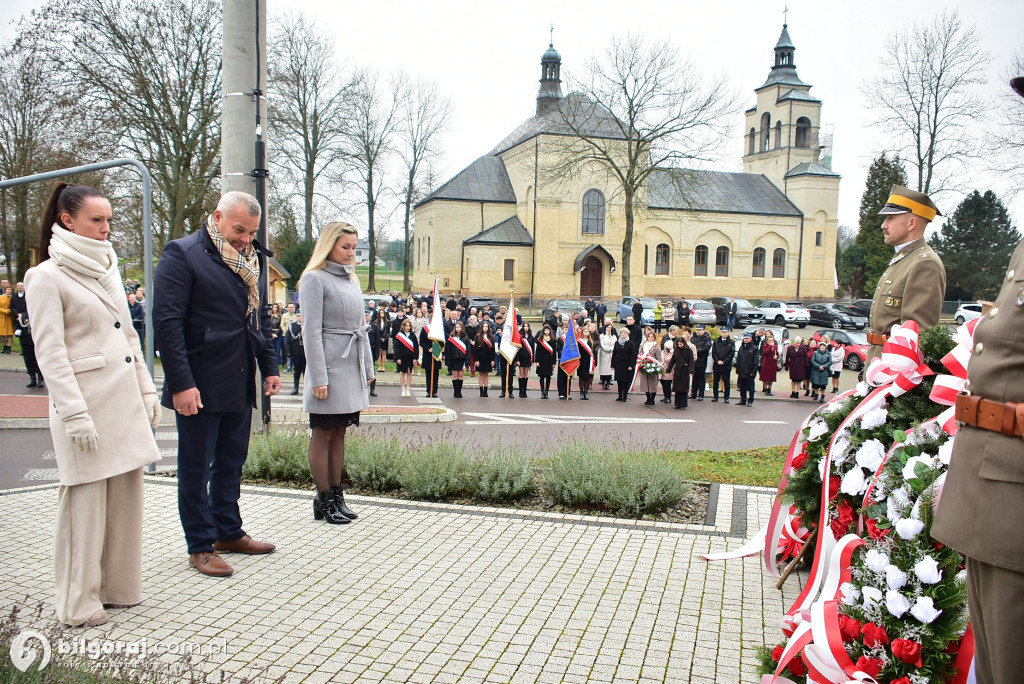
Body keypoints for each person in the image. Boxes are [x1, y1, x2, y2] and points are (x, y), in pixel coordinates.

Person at [26, 183, 161, 626]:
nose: (106, 229)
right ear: (67, 220)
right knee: (83, 506)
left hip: (122, 400)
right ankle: (77, 602)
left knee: (126, 498)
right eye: (96, 220)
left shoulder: (106, 268)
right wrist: (73, 412)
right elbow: (50, 353)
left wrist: (146, 390)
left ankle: (118, 587)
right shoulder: (45, 276)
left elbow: (128, 337)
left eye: (108, 220)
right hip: (86, 405)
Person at [153, 191, 281, 577]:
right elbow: (168, 325)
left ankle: (228, 530)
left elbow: (258, 319)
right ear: (218, 217)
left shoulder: (252, 259)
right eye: (239, 230)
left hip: (239, 377)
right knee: (196, 466)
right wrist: (180, 383)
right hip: (199, 380)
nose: (245, 238)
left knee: (230, 462)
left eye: (252, 232)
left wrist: (270, 366)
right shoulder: (183, 254)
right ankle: (200, 545)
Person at [299, 222, 374, 526]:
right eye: (346, 247)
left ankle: (338, 497)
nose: (351, 254)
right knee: (323, 433)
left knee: (340, 433)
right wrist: (318, 378)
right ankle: (323, 499)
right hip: (328, 366)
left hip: (350, 365)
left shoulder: (353, 282)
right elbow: (310, 332)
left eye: (355, 248)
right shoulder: (313, 279)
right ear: (329, 245)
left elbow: (361, 330)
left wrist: (367, 369)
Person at [866, 185, 946, 365]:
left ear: (911, 223)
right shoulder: (904, 259)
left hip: (893, 372)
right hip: (879, 364)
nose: (883, 225)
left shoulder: (924, 263)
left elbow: (917, 336)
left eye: (891, 218)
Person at [392, 317, 419, 397]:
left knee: (409, 372)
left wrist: (415, 358)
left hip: (410, 357)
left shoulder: (413, 335)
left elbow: (416, 347)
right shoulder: (399, 335)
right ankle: (403, 389)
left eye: (409, 326)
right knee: (402, 373)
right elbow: (396, 347)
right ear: (403, 326)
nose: (407, 327)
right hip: (402, 357)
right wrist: (398, 358)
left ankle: (408, 389)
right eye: (406, 326)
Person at [734, 331, 762, 407]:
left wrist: (753, 372)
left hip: (750, 371)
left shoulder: (754, 348)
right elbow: (739, 359)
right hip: (742, 371)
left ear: (751, 339)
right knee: (742, 387)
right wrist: (738, 369)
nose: (745, 340)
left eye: (747, 338)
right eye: (744, 338)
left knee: (750, 388)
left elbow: (756, 361)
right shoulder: (741, 347)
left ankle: (750, 401)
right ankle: (743, 400)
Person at [667, 336, 695, 410]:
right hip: (677, 371)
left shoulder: (689, 351)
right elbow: (673, 360)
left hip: (685, 370)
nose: (679, 345)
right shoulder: (676, 350)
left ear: (684, 343)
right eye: (678, 344)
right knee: (677, 388)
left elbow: (691, 361)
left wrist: (691, 371)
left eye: (681, 344)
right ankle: (677, 403)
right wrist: (668, 369)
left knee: (683, 388)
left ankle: (683, 404)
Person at [445, 319, 470, 399]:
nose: (458, 328)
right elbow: (448, 350)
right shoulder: (451, 338)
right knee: (455, 376)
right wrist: (447, 361)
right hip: (454, 359)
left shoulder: (465, 338)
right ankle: (455, 391)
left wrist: (467, 362)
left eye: (459, 327)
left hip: (462, 360)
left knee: (461, 376)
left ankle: (459, 391)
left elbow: (468, 350)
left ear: (462, 328)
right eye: (457, 327)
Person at [637, 327, 662, 405]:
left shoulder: (656, 347)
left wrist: (654, 364)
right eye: (649, 337)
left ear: (654, 338)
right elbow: (640, 354)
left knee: (652, 384)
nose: (650, 338)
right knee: (645, 384)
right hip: (644, 366)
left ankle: (652, 399)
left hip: (652, 367)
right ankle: (648, 398)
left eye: (652, 337)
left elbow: (659, 358)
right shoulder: (644, 346)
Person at [611, 327, 637, 402]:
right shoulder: (617, 342)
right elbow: (614, 354)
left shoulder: (631, 343)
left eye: (624, 333)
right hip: (618, 364)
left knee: (625, 381)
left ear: (627, 334)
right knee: (619, 381)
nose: (623, 334)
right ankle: (619, 396)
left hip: (626, 365)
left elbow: (633, 355)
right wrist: (612, 365)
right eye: (622, 333)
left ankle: (624, 397)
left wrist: (631, 365)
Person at [710, 328, 735, 403]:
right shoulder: (716, 341)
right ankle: (715, 396)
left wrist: (724, 361)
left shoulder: (731, 342)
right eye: (723, 332)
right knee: (716, 381)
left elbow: (731, 354)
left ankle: (726, 397)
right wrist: (717, 361)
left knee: (726, 381)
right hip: (717, 365)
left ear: (728, 333)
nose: (724, 334)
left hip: (726, 365)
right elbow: (713, 352)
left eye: (725, 332)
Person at [533, 325, 557, 399]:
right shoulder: (540, 340)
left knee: (548, 377)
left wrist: (554, 363)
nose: (546, 332)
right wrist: (537, 361)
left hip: (549, 361)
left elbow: (554, 352)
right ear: (543, 331)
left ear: (550, 331)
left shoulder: (553, 340)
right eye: (545, 330)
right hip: (541, 360)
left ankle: (546, 392)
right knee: (542, 376)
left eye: (548, 330)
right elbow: (537, 351)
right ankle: (542, 391)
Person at [285, 312, 305, 396]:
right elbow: (288, 340)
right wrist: (288, 352)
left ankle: (306, 388)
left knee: (306, 372)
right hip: (296, 352)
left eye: (301, 316)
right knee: (296, 371)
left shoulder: (307, 325)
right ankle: (295, 388)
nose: (300, 318)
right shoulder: (292, 326)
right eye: (298, 316)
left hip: (305, 352)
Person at [473, 320, 495, 396]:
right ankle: (481, 390)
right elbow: (475, 349)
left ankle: (485, 390)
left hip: (488, 358)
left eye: (486, 326)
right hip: (480, 358)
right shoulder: (478, 336)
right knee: (480, 373)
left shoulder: (491, 337)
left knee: (486, 374)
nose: (485, 328)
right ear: (481, 327)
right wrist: (476, 360)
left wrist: (493, 360)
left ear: (488, 328)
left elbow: (493, 349)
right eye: (484, 326)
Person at [690, 325, 712, 401]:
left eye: (700, 330)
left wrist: (696, 351)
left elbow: (706, 348)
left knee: (701, 378)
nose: (698, 331)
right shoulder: (693, 337)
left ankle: (701, 394)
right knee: (694, 377)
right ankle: (693, 394)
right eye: (697, 330)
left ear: (704, 331)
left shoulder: (707, 338)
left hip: (702, 360)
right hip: (694, 360)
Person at [576, 320, 595, 400]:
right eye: (585, 331)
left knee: (587, 378)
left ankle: (586, 392)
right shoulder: (579, 341)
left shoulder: (590, 342)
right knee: (581, 377)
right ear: (582, 332)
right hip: (581, 361)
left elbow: (592, 352)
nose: (586, 333)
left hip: (588, 361)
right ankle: (581, 392)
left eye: (587, 331)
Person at [515, 321, 535, 398]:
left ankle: (524, 391)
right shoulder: (520, 337)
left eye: (527, 326)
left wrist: (532, 360)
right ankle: (520, 391)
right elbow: (517, 349)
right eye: (525, 326)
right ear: (523, 327)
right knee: (521, 374)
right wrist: (517, 360)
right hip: (521, 358)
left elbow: (533, 349)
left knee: (526, 374)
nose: (526, 328)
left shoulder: (531, 337)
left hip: (528, 358)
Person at [597, 319, 616, 390]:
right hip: (604, 354)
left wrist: (612, 349)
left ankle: (608, 383)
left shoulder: (613, 336)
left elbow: (615, 344)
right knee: (603, 369)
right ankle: (603, 382)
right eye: (607, 328)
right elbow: (602, 345)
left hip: (611, 355)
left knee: (610, 370)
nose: (609, 329)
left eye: (610, 328)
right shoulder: (602, 336)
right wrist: (610, 349)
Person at [759, 330, 779, 396]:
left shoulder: (775, 347)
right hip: (766, 363)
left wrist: (777, 356)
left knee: (771, 377)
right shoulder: (765, 346)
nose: (770, 342)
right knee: (765, 377)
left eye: (772, 341)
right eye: (769, 341)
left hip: (773, 363)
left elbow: (777, 354)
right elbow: (765, 352)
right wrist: (770, 346)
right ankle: (765, 389)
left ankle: (770, 389)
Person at [280, 302, 297, 371]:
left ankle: (293, 366)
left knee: (294, 351)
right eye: (290, 307)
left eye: (292, 307)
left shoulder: (296, 315)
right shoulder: (284, 315)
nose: (291, 308)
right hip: (286, 335)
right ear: (287, 308)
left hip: (294, 336)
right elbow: (282, 325)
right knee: (287, 351)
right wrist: (286, 332)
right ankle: (288, 366)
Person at [0, 282, 12, 353]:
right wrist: (4, 311)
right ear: (5, 290)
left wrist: (9, 311)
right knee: (1, 333)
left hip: (9, 317)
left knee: (10, 332)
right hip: (1, 316)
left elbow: (14, 306)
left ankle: (9, 346)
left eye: (10, 290)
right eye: (8, 289)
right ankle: (4, 345)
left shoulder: (12, 297)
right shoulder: (0, 297)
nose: (9, 291)